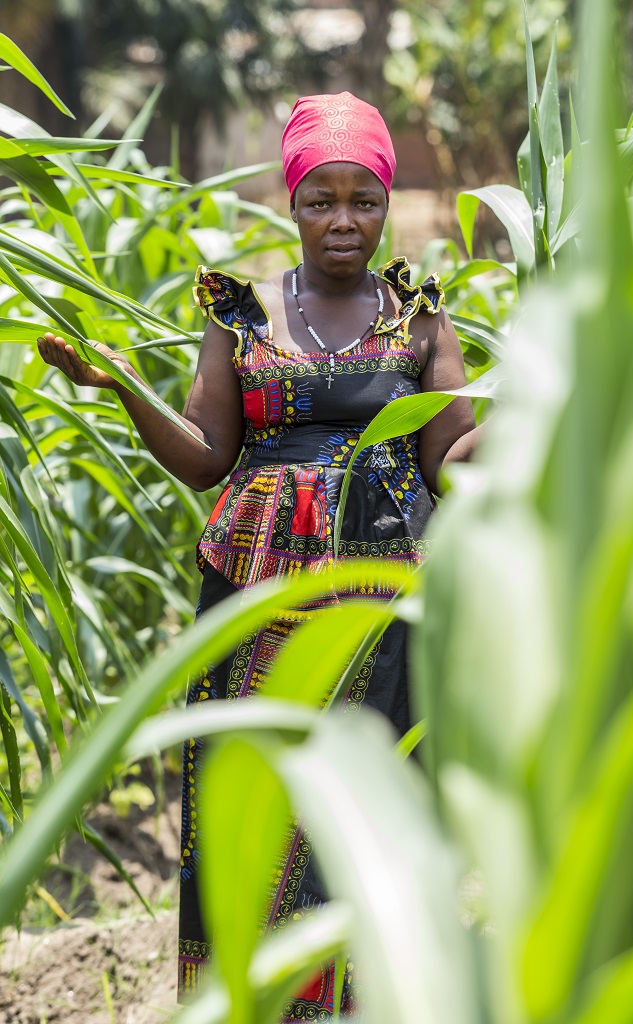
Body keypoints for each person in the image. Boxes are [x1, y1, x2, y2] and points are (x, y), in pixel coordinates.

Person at [37, 91, 479, 1018]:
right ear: (292, 203)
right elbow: (206, 458)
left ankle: (374, 997)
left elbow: (450, 464)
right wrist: (120, 382)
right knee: (258, 791)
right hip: (255, 601)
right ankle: (259, 996)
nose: (345, 221)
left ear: (388, 200)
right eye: (322, 200)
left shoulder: (420, 319)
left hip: (382, 600)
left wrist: (538, 410)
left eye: (364, 199)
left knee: (371, 793)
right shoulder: (241, 314)